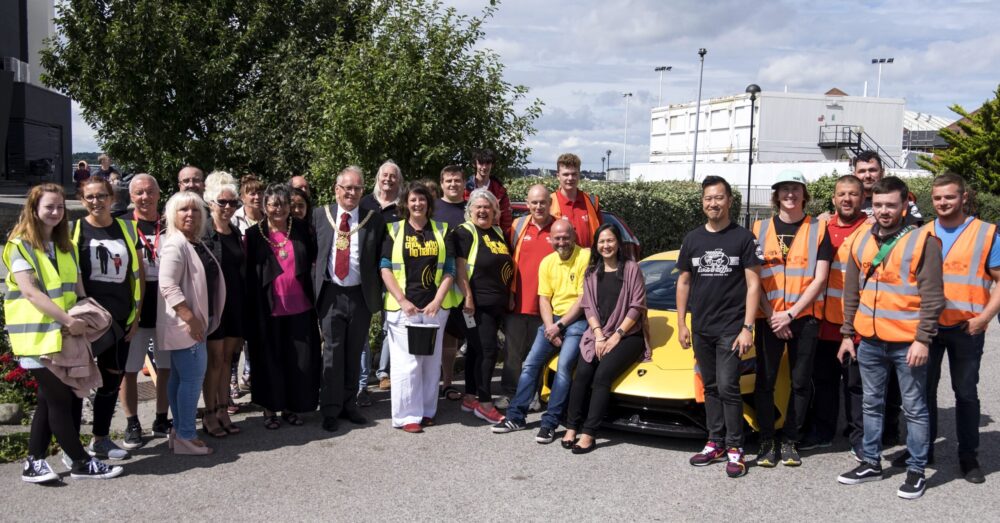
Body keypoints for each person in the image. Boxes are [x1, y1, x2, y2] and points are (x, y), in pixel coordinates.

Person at [4, 183, 124, 482]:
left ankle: (34, 461)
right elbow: (30, 292)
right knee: (59, 399)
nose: (56, 212)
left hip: (61, 338)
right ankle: (81, 461)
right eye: (49, 207)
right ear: (34, 208)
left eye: (60, 207)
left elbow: (76, 288)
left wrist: (86, 312)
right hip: (35, 337)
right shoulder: (20, 245)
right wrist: (68, 321)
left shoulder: (63, 246)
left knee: (48, 400)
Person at [836, 176, 944, 500]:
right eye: (879, 204)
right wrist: (846, 335)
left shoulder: (923, 241)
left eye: (891, 205)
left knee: (914, 407)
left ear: (904, 205)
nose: (884, 211)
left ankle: (916, 470)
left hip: (907, 342)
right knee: (871, 404)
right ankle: (871, 461)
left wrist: (923, 339)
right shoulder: (860, 241)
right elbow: (851, 292)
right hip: (868, 340)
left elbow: (934, 297)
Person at [677, 176, 762, 477]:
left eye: (719, 197)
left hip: (731, 328)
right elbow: (684, 281)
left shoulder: (743, 238)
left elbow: (754, 285)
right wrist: (681, 323)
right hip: (701, 327)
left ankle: (736, 448)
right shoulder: (693, 239)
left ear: (729, 201)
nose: (713, 203)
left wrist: (747, 327)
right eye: (708, 198)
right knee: (710, 387)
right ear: (703, 203)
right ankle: (715, 442)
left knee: (728, 387)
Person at [920, 173, 1000, 483]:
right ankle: (922, 449)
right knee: (922, 392)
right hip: (928, 327)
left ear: (963, 197)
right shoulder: (923, 232)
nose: (942, 203)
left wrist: (984, 318)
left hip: (968, 328)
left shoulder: (986, 233)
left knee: (965, 392)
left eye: (949, 197)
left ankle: (968, 456)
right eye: (938, 198)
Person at [751, 169, 831, 467]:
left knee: (800, 382)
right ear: (776, 195)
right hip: (769, 318)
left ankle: (790, 441)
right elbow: (753, 280)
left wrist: (790, 314)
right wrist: (774, 315)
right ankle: (766, 440)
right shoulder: (758, 229)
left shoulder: (818, 229)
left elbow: (820, 278)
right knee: (765, 381)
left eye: (795, 189)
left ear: (804, 194)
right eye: (784, 189)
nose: (790, 194)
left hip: (803, 318)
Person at [492, 219, 588, 443]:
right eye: (557, 238)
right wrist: (549, 327)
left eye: (566, 237)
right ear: (551, 239)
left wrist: (559, 326)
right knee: (530, 364)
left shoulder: (585, 257)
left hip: (577, 321)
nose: (561, 242)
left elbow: (584, 300)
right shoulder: (547, 262)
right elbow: (544, 298)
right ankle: (516, 417)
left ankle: (549, 423)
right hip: (552, 321)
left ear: (574, 236)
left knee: (563, 368)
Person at [380, 182, 460, 432]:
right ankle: (407, 416)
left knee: (429, 361)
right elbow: (385, 268)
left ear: (429, 202)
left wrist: (437, 300)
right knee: (408, 363)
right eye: (413, 200)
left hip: (434, 309)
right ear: (405, 203)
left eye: (422, 200)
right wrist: (403, 300)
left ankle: (427, 410)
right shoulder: (393, 230)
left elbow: (449, 269)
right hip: (404, 309)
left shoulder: (442, 229)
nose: (418, 204)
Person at [563, 223, 650, 454]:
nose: (606, 245)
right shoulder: (591, 272)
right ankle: (572, 427)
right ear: (596, 245)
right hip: (599, 334)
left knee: (602, 376)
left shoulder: (631, 268)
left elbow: (636, 306)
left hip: (629, 335)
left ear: (618, 243)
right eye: (601, 241)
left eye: (610, 240)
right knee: (581, 373)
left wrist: (616, 337)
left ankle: (589, 433)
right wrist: (600, 336)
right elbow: (588, 307)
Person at [73, 176, 143, 461]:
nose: (96, 201)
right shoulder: (75, 231)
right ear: (82, 200)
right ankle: (71, 446)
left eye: (101, 196)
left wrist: (136, 314)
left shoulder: (127, 229)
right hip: (88, 322)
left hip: (121, 320)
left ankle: (100, 439)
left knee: (112, 381)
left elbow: (137, 274)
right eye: (90, 197)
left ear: (112, 197)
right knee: (76, 384)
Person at [313, 166, 386, 432]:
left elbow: (380, 258)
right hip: (331, 293)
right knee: (332, 352)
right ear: (337, 189)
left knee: (354, 351)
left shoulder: (373, 219)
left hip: (359, 295)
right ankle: (330, 408)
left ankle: (349, 404)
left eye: (357, 188)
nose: (351, 193)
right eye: (347, 188)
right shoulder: (321, 215)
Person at [245, 183, 321, 429]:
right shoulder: (254, 234)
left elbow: (313, 261)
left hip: (300, 307)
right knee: (269, 360)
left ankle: (292, 407)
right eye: (273, 204)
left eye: (284, 203)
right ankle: (270, 410)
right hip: (268, 309)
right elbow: (248, 272)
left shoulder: (301, 229)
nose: (279, 208)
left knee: (297, 361)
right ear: (265, 207)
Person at [803, 175, 868, 454]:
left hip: (857, 324)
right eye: (842, 194)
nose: (847, 199)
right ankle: (823, 431)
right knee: (824, 382)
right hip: (824, 322)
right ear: (833, 199)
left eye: (853, 194)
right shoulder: (822, 227)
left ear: (862, 198)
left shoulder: (871, 228)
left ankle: (859, 439)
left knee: (856, 386)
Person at [157, 191, 225, 455]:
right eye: (183, 210)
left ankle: (179, 432)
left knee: (179, 378)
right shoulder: (176, 244)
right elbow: (167, 285)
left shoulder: (194, 242)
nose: (190, 215)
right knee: (192, 379)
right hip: (188, 325)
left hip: (195, 322)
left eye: (195, 210)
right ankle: (186, 435)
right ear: (173, 215)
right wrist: (190, 318)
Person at [119, 174, 172, 450]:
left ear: (158, 194)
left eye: (150, 192)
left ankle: (162, 418)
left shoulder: (169, 224)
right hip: (135, 306)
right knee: (129, 369)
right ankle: (131, 423)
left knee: (165, 366)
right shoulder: (123, 226)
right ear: (131, 197)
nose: (145, 197)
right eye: (139, 193)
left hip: (165, 304)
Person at [454, 188, 513, 424]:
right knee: (488, 351)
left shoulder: (498, 232)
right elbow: (460, 269)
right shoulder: (465, 232)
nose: (482, 211)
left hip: (496, 303)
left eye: (487, 207)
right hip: (476, 304)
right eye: (477, 207)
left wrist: (508, 294)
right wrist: (468, 297)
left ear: (495, 212)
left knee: (477, 350)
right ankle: (485, 403)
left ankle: (470, 397)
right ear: (469, 211)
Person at [500, 184, 554, 408]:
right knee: (512, 354)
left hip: (547, 306)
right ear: (527, 203)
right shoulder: (517, 226)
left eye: (543, 202)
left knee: (538, 355)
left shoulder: (559, 228)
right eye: (534, 202)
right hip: (518, 302)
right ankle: (510, 393)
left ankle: (534, 395)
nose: (538, 206)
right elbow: (505, 262)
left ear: (550, 203)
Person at [202, 172, 244, 437]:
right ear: (210, 203)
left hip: (235, 303)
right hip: (213, 305)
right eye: (222, 202)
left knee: (227, 360)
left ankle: (222, 408)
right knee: (214, 360)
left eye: (233, 203)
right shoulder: (203, 232)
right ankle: (209, 412)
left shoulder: (235, 231)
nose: (228, 207)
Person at [361, 160, 402, 390]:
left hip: (393, 272)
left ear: (399, 180)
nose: (388, 179)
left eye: (393, 176)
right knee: (363, 326)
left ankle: (385, 372)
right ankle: (362, 378)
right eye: (384, 175)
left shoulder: (403, 206)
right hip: (366, 272)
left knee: (390, 324)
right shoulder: (365, 202)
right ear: (378, 177)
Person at [434, 165, 467, 401]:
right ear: (441, 184)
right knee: (432, 333)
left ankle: (447, 383)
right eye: (448, 181)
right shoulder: (433, 207)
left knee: (452, 336)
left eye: (457, 180)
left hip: (464, 281)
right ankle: (428, 382)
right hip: (436, 280)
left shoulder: (471, 208)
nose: (453, 184)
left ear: (464, 184)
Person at [229, 174, 263, 398]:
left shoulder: (269, 217)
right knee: (237, 338)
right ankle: (232, 380)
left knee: (258, 336)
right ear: (242, 197)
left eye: (259, 192)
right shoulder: (234, 220)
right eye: (251, 192)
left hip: (262, 284)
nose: (256, 196)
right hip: (240, 284)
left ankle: (251, 376)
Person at [549, 153, 602, 247]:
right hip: (560, 260)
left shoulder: (592, 202)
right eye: (566, 174)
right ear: (558, 176)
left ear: (579, 175)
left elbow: (601, 235)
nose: (570, 178)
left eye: (574, 174)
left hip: (588, 260)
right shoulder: (549, 202)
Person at [463, 148, 512, 234]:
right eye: (481, 163)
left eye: (488, 163)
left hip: (493, 235)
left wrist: (505, 237)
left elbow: (506, 219)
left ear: (492, 165)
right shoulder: (465, 188)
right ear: (475, 164)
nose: (484, 167)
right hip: (469, 234)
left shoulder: (500, 191)